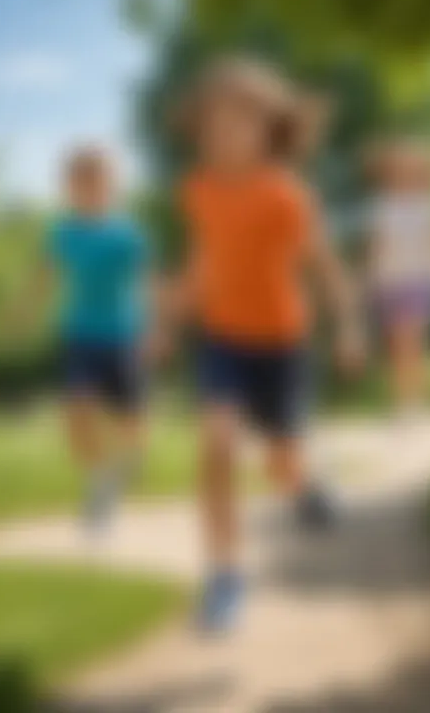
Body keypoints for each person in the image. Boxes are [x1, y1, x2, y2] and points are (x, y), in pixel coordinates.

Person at [168, 57, 364, 634]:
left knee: (281, 463)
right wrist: (170, 318)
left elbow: (326, 268)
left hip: (282, 346)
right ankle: (225, 575)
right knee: (217, 442)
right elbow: (203, 259)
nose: (222, 134)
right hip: (223, 339)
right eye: (212, 123)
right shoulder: (197, 191)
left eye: (238, 122)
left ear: (270, 131)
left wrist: (348, 327)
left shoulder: (287, 195)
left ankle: (305, 486)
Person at [19, 147, 153, 535]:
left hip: (124, 336)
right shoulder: (63, 232)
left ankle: (126, 464)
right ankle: (98, 482)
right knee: (77, 409)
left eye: (95, 182)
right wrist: (26, 310)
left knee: (133, 423)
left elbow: (144, 283)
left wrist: (153, 331)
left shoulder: (128, 234)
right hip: (79, 335)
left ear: (111, 187)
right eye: (78, 183)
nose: (87, 190)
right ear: (68, 189)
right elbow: (44, 275)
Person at [365, 139, 430, 418]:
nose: (406, 177)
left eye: (412, 171)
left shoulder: (429, 206)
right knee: (399, 343)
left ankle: (418, 402)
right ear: (391, 176)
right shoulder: (383, 207)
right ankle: (404, 402)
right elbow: (377, 245)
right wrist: (371, 276)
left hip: (420, 279)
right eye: (400, 171)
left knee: (414, 339)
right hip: (390, 282)